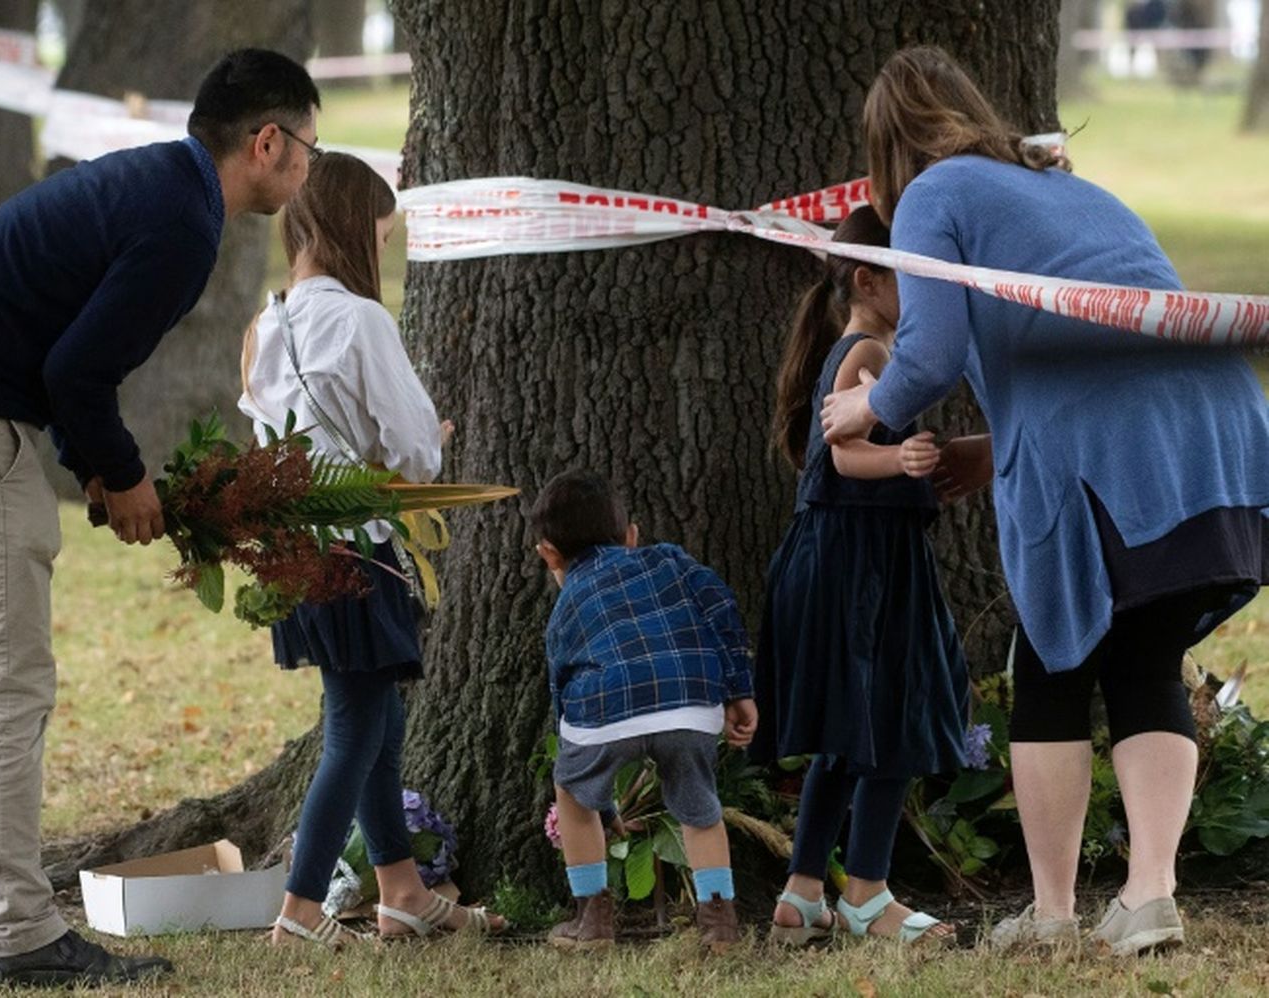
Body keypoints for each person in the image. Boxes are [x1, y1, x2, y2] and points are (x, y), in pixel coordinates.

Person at [0, 48, 321, 988]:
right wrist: (123, 474)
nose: (309, 166)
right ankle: (20, 938)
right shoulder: (184, 223)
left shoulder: (153, 183)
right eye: (307, 146)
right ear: (266, 142)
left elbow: (61, 346)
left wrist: (91, 469)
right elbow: (77, 371)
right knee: (5, 693)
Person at [821, 46, 1269, 956]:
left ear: (887, 154)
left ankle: (1055, 915)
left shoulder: (933, 196)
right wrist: (993, 451)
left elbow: (934, 352)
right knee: (1143, 660)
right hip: (1211, 424)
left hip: (1118, 441)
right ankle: (1149, 896)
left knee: (1053, 671)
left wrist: (864, 404)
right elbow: (1088, 318)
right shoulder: (1065, 182)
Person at [239, 151, 503, 947]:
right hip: (360, 552)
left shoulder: (264, 323)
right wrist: (433, 441)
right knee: (356, 729)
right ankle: (300, 910)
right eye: (380, 236)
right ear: (355, 227)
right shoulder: (361, 321)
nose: (381, 252)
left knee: (375, 720)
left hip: (295, 551)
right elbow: (415, 453)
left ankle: (401, 892)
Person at [753, 205, 966, 947]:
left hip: (849, 556)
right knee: (891, 726)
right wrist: (900, 462)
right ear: (870, 280)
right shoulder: (865, 353)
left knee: (852, 734)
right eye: (917, 276)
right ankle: (868, 896)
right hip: (864, 565)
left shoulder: (861, 345)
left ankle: (803, 891)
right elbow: (842, 454)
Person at [531, 470, 758, 953]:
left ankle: (591, 919)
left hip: (604, 708)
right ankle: (720, 925)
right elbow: (720, 604)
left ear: (548, 554)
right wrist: (739, 689)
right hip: (690, 702)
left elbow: (564, 692)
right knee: (700, 811)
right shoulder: (669, 560)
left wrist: (601, 798)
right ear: (632, 535)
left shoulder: (568, 603)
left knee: (570, 791)